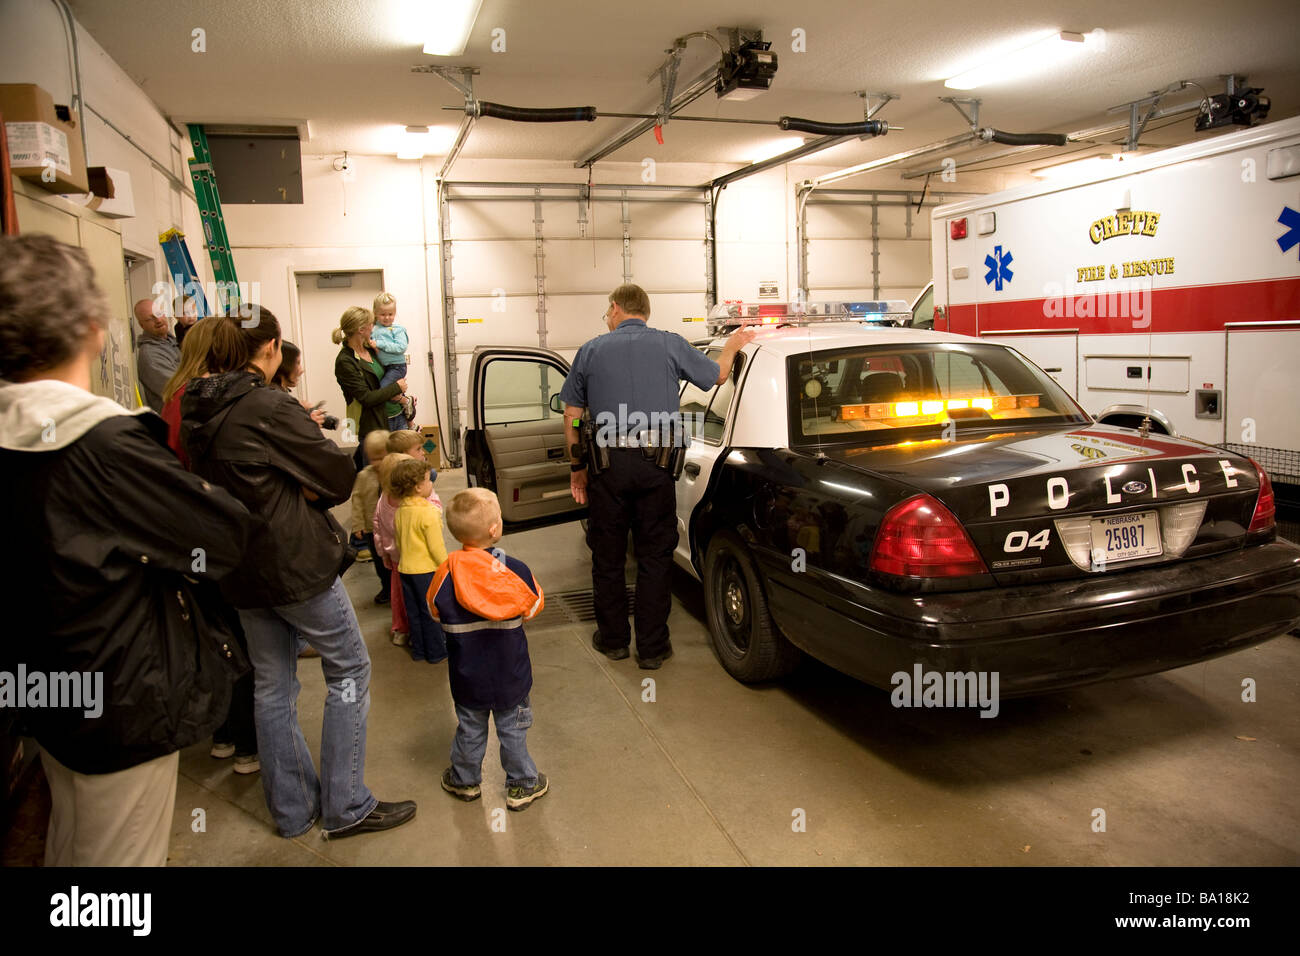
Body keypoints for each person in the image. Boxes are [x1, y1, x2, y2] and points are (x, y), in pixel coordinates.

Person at [0, 234, 253, 865]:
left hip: (42, 685)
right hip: (119, 696)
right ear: (93, 329)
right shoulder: (103, 446)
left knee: (74, 840)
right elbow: (221, 537)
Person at [182, 308, 416, 840]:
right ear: (269, 348)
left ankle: (291, 812)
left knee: (272, 683)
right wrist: (301, 463)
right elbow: (335, 475)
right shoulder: (265, 404)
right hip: (292, 562)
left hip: (239, 566)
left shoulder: (197, 405)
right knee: (350, 671)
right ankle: (346, 804)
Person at [560, 283, 754, 669]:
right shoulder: (670, 343)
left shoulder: (591, 350)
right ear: (644, 311)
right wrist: (732, 344)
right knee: (654, 555)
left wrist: (577, 468)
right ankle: (651, 648)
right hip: (656, 469)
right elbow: (717, 376)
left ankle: (614, 640)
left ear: (615, 308)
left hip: (607, 469)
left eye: (606, 312)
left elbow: (572, 416)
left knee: (609, 555)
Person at [159, 316, 260, 774]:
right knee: (240, 640)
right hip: (218, 533)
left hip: (188, 534)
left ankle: (222, 735)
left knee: (215, 635)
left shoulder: (173, 398)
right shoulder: (208, 400)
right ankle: (246, 744)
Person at [429, 488, 548, 810]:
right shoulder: (515, 569)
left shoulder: (447, 571)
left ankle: (464, 780)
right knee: (513, 729)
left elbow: (434, 610)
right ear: (495, 529)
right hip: (511, 674)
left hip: (467, 676)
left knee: (470, 728)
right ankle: (522, 784)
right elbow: (535, 605)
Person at [332, 305, 407, 471]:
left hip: (394, 415)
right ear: (361, 329)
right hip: (372, 425)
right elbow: (367, 398)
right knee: (377, 479)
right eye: (371, 325)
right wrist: (396, 387)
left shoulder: (370, 350)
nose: (374, 328)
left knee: (404, 474)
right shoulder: (345, 362)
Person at [389, 456, 448, 663]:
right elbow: (436, 547)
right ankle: (436, 652)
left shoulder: (400, 512)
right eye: (427, 480)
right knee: (431, 613)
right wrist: (448, 567)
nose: (431, 483)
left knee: (413, 612)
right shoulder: (429, 513)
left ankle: (419, 651)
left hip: (405, 570)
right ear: (417, 487)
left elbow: (397, 541)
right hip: (426, 571)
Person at [350, 430, 392, 602]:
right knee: (379, 561)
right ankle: (386, 587)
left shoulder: (393, 473)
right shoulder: (363, 476)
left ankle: (396, 588)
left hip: (390, 527)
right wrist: (357, 525)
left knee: (393, 561)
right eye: (373, 458)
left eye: (382, 457)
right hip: (370, 528)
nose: (377, 463)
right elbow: (357, 500)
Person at [371, 292, 415, 423]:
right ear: (375, 313)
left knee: (383, 390)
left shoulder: (397, 329)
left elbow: (401, 347)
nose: (386, 318)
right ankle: (403, 401)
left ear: (394, 314)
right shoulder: (374, 328)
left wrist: (380, 344)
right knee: (382, 391)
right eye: (382, 314)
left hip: (397, 367)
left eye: (390, 314)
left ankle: (406, 402)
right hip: (382, 366)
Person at [133, 297, 180, 412]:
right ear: (142, 325)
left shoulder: (173, 341)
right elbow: (179, 390)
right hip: (177, 422)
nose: (158, 320)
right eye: (150, 319)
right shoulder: (150, 356)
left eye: (159, 314)